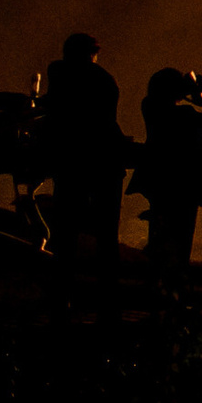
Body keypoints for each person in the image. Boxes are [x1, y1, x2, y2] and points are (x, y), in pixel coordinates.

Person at [39, 33, 127, 262]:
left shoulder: (59, 71)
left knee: (66, 224)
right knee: (106, 229)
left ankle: (62, 280)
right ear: (93, 54)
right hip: (105, 157)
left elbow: (54, 108)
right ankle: (107, 284)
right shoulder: (105, 79)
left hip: (72, 157)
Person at [130, 68, 202, 272]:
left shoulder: (149, 106)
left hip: (157, 181)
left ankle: (156, 281)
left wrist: (188, 93)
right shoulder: (185, 114)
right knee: (181, 240)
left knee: (159, 234)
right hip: (184, 185)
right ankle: (173, 285)